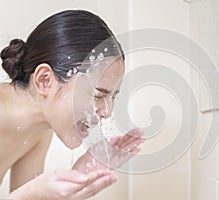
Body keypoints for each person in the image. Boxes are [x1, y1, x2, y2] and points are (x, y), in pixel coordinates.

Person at [0, 10, 144, 199]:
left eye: (113, 97)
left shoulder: (40, 131)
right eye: (98, 94)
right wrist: (34, 192)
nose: (107, 111)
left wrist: (77, 176)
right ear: (45, 80)